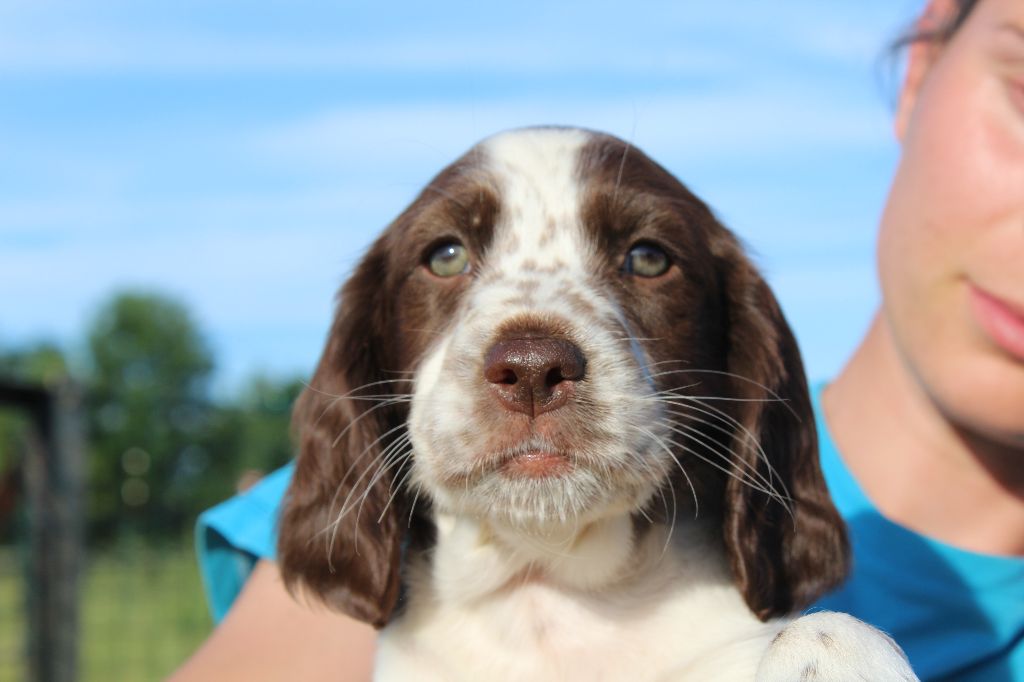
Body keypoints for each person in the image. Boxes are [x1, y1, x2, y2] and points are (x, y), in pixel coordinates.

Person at [169, 0, 1024, 679]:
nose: (531, 359)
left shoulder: (794, 647)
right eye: (447, 256)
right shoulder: (358, 535)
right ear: (922, 61)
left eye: (647, 260)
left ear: (737, 357)